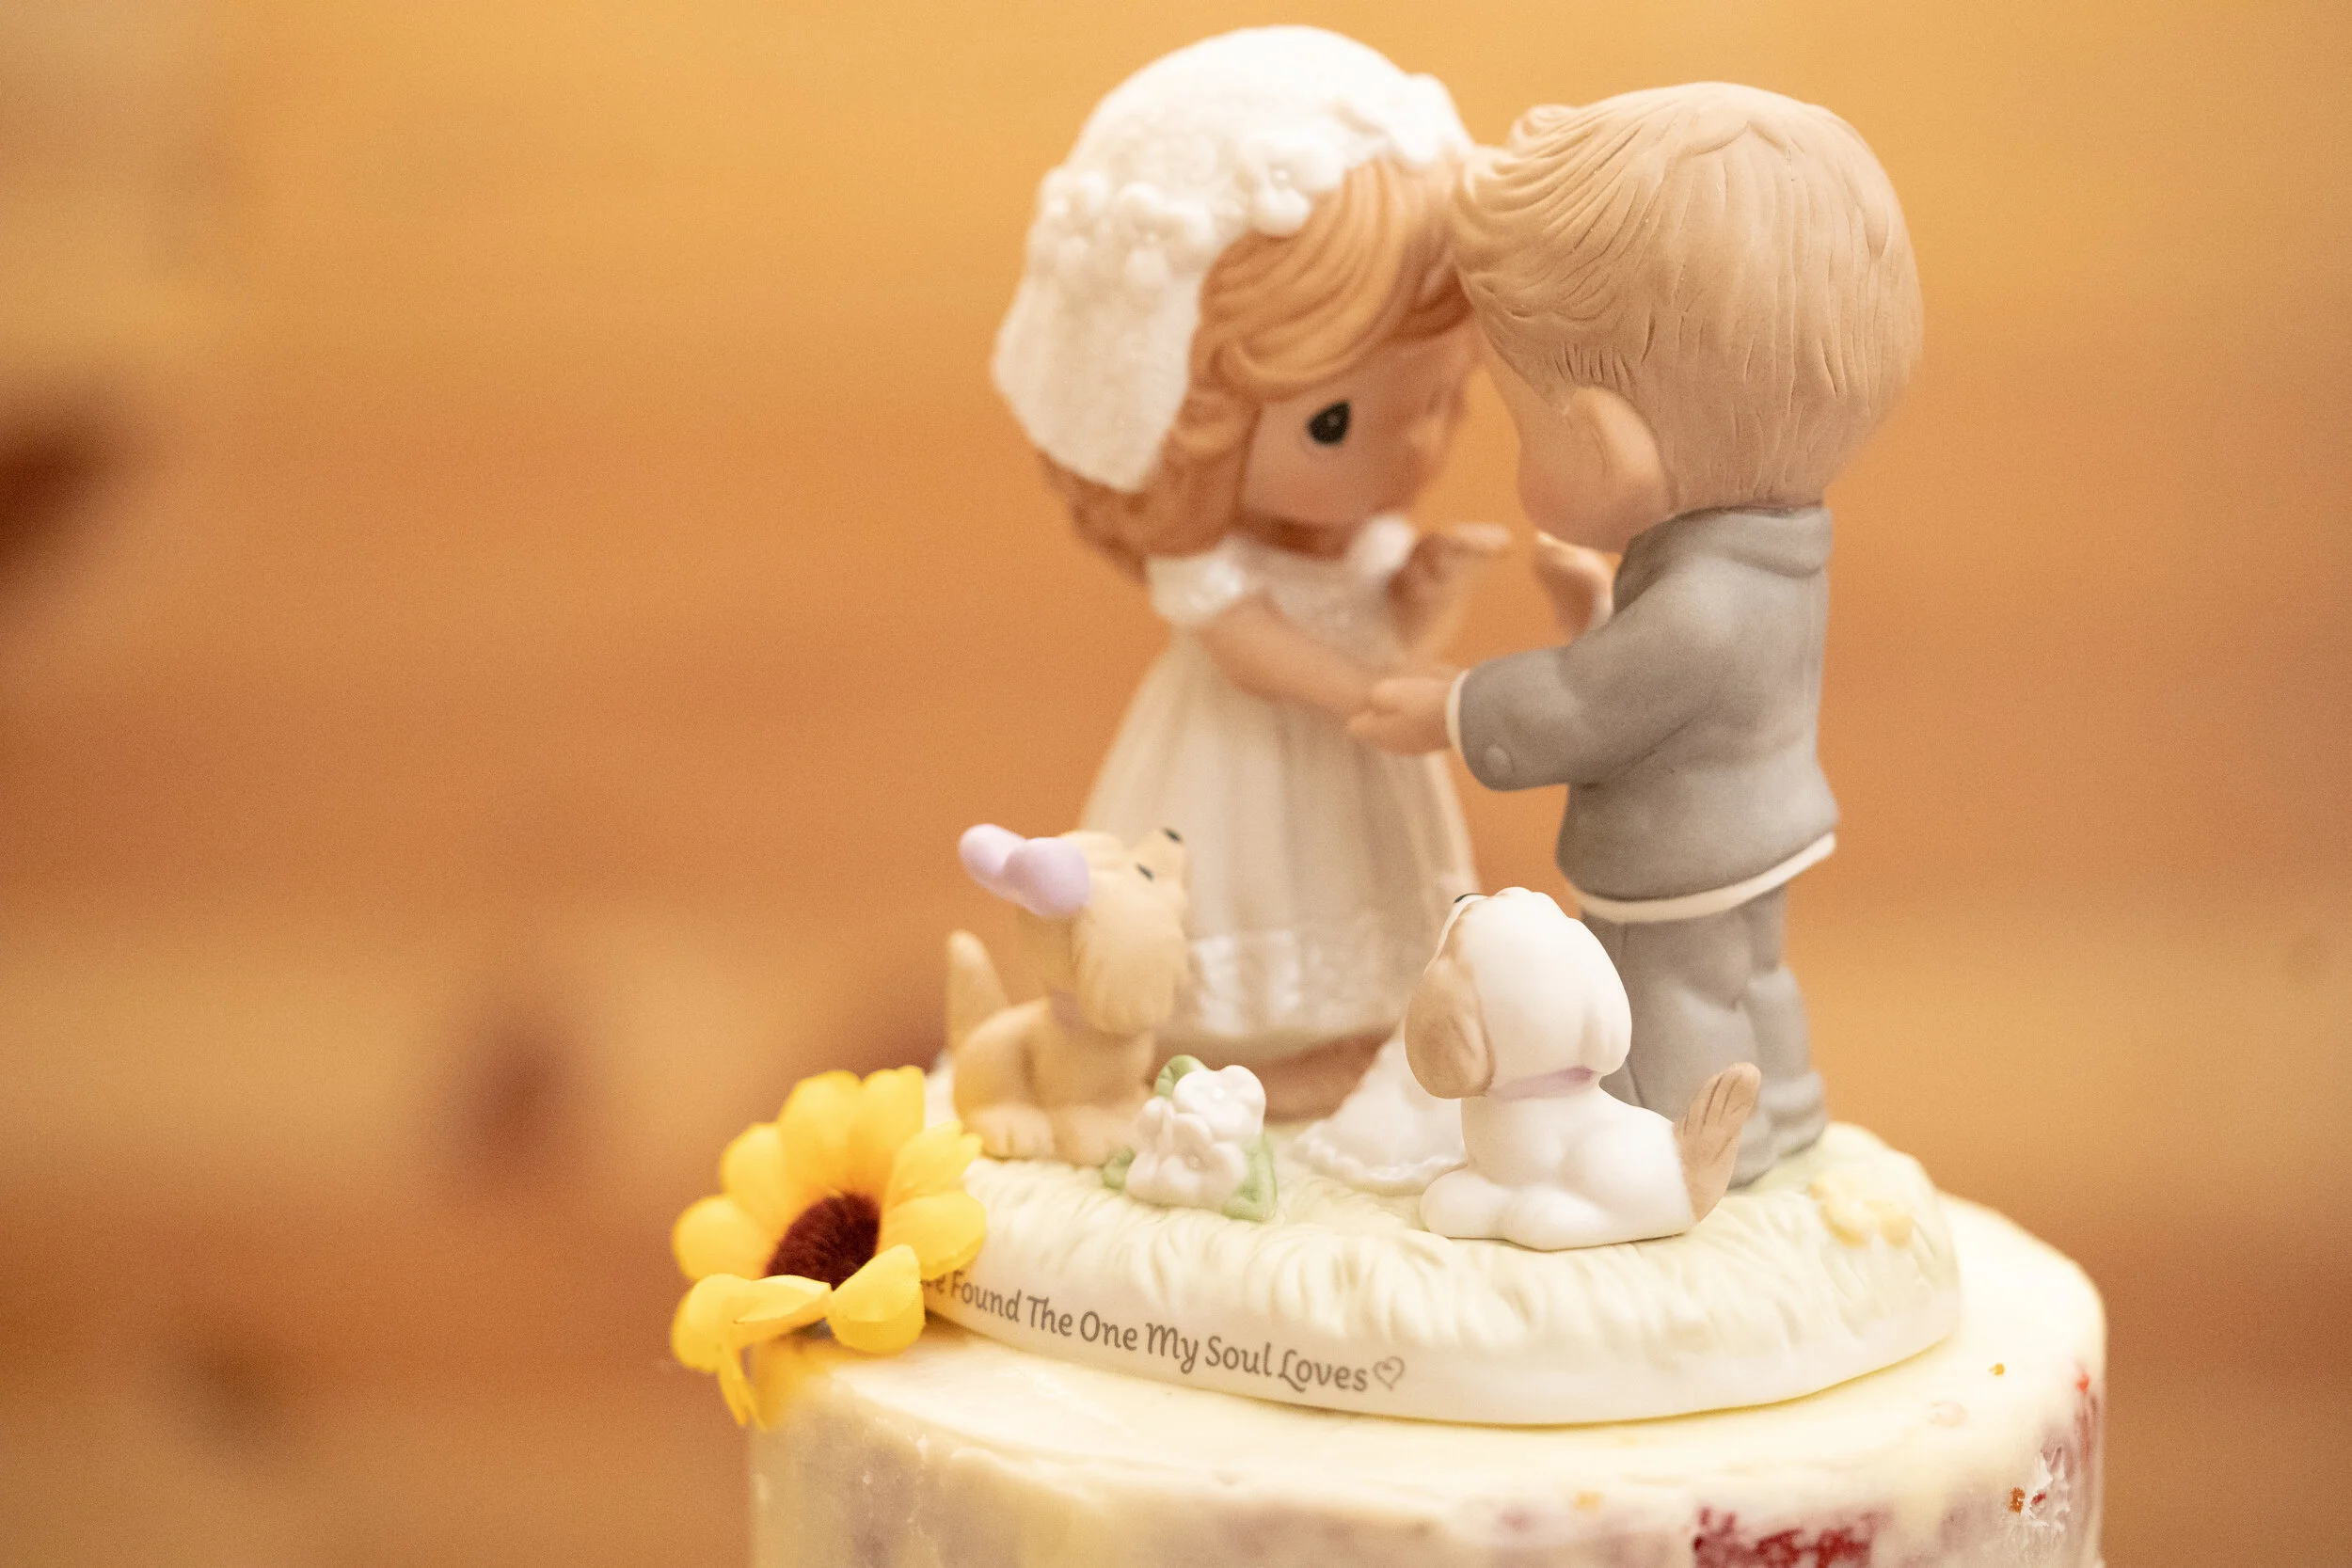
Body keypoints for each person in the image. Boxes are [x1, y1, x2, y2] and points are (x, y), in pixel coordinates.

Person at [1354, 84, 1925, 1181]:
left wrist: (1455, 706)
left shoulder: (1705, 601)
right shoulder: (1778, 542)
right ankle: (1786, 1096)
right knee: (1753, 974)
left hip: (1684, 857)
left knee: (1668, 988)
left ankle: (1686, 1137)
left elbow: (1589, 703)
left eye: (1523, 423)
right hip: (1758, 825)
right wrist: (1599, 616)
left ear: (1602, 445)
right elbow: (1671, 685)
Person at [993, 28, 1498, 1119]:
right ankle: (1237, 1056)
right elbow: (1254, 655)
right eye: (1335, 421)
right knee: (1251, 897)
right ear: (1191, 423)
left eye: (1446, 395)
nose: (1409, 452)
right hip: (1243, 762)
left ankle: (1368, 1035)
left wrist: (1422, 595)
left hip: (1358, 753)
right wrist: (1364, 694)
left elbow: (1393, 639)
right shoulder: (1216, 574)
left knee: (1366, 899)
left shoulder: (1359, 537)